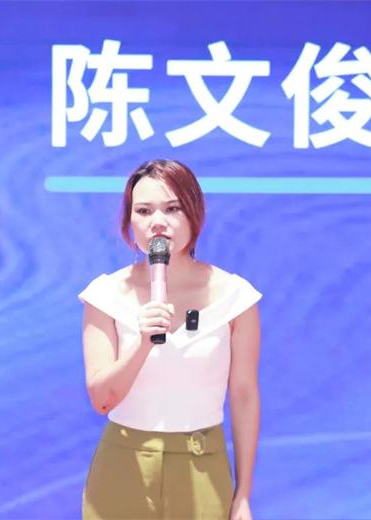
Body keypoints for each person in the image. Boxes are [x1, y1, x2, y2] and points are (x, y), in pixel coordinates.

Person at [78, 159, 262, 520]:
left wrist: (243, 494)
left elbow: (244, 396)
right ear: (129, 221)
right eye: (144, 211)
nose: (157, 222)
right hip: (123, 466)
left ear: (194, 213)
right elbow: (101, 398)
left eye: (173, 208)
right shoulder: (105, 294)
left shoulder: (235, 296)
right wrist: (142, 342)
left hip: (201, 466)